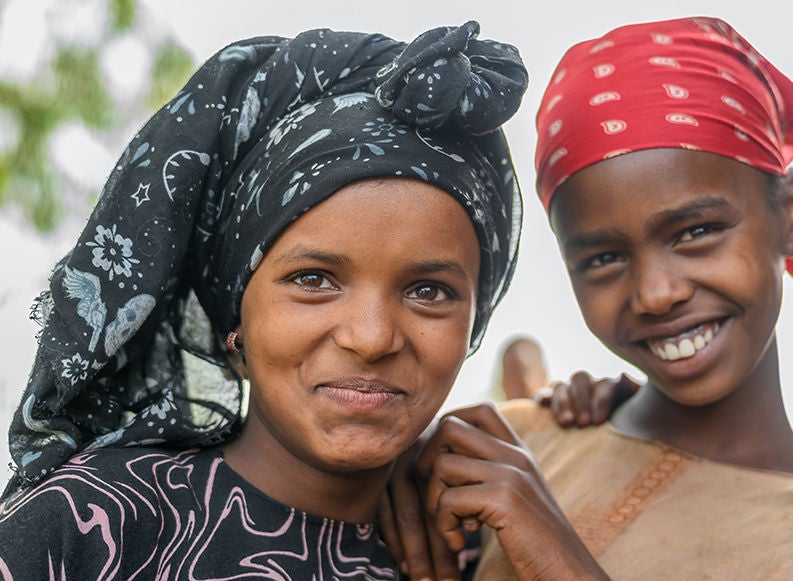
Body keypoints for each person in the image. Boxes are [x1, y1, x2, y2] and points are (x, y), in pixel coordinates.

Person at [0, 21, 527, 578]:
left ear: (474, 323)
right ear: (235, 315)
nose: (372, 338)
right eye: (314, 279)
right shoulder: (92, 525)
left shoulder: (480, 554)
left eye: (428, 291)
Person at [385, 16, 793, 580]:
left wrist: (552, 550)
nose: (656, 294)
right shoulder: (512, 446)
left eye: (696, 232)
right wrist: (396, 452)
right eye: (603, 258)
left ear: (790, 213)